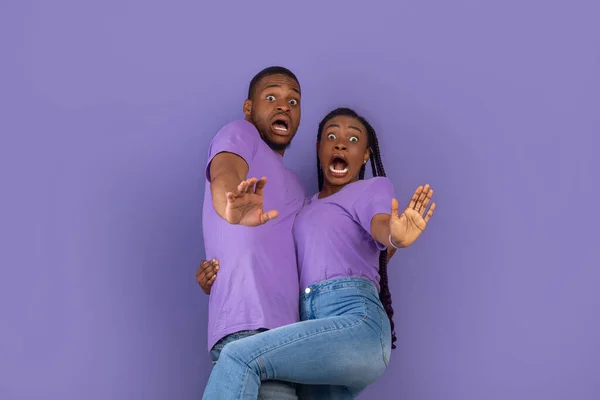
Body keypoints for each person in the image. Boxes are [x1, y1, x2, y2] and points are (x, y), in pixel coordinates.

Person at [200, 108, 436, 399]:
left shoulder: (371, 189)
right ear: (319, 148)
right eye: (331, 136)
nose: (340, 144)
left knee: (239, 357)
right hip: (310, 332)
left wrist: (394, 238)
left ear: (365, 155)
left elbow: (381, 226)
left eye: (352, 138)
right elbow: (275, 256)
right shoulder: (303, 207)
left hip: (354, 321)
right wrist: (216, 274)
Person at [201, 66, 306, 399]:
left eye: (293, 101)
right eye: (272, 97)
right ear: (249, 108)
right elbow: (226, 171)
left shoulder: (299, 188)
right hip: (246, 327)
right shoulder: (241, 134)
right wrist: (230, 203)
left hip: (290, 339)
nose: (283, 106)